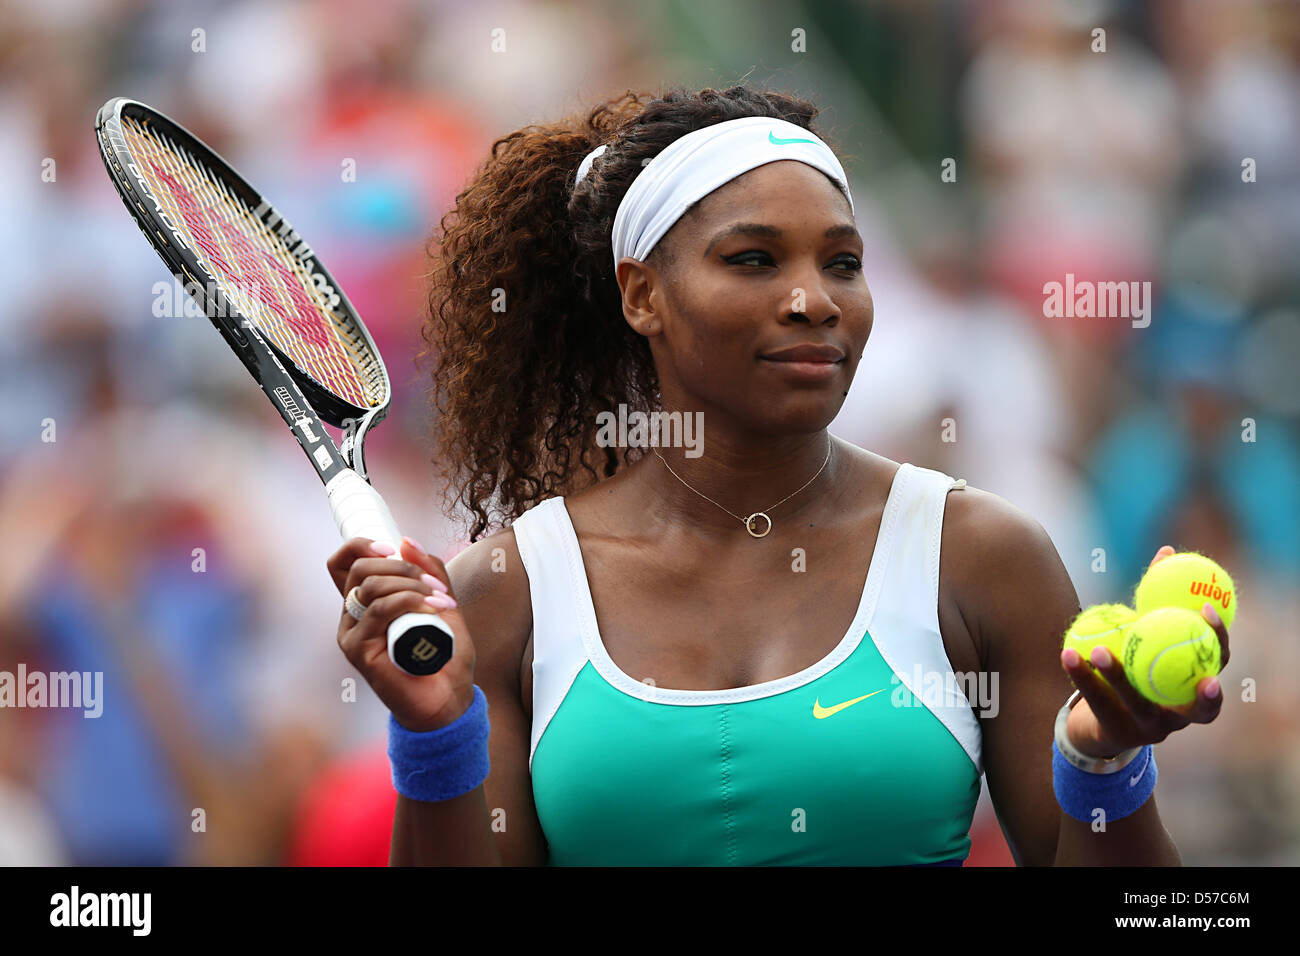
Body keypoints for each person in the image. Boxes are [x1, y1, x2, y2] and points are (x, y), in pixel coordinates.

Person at [327, 86, 1229, 866]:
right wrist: (436, 737)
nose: (815, 299)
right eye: (754, 259)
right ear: (642, 294)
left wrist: (1104, 760)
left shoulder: (987, 557)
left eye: (842, 262)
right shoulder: (503, 591)